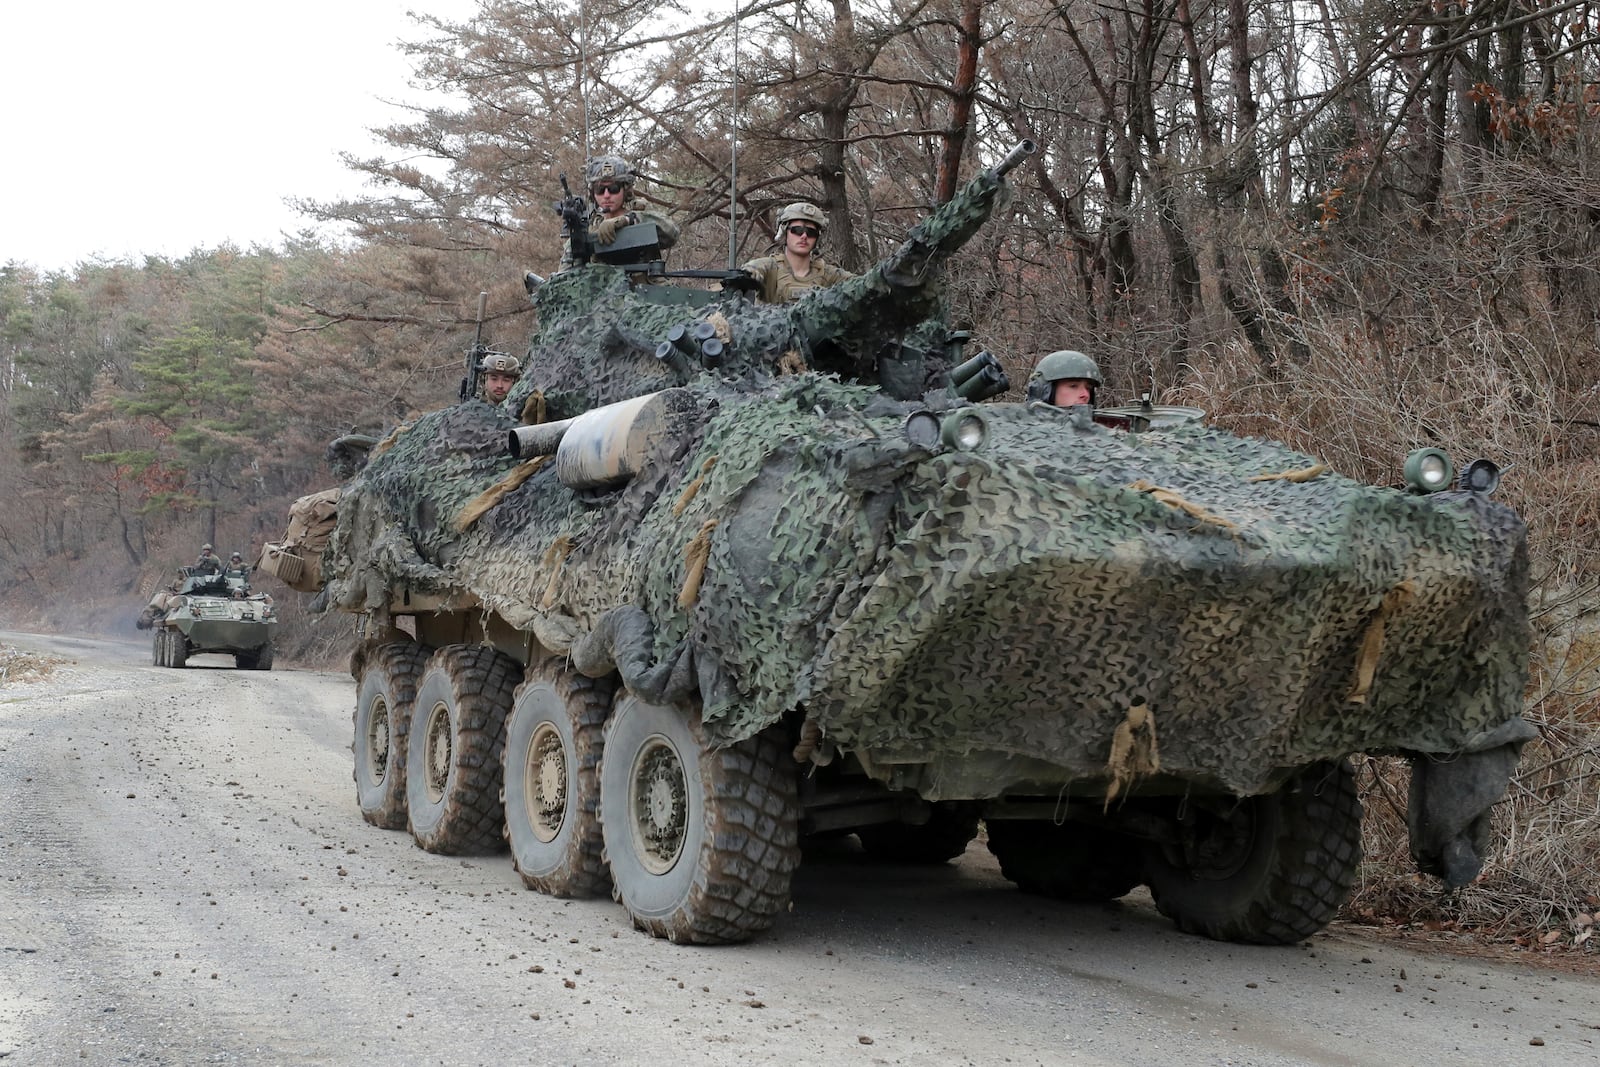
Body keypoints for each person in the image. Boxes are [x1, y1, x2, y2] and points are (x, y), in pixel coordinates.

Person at [559, 155, 680, 270]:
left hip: (643, 289)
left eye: (613, 189)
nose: (606, 195)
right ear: (593, 193)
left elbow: (671, 232)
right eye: (600, 190)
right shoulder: (588, 229)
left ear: (625, 190)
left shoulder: (640, 217)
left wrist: (627, 220)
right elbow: (564, 277)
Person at [738, 202, 857, 304]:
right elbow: (753, 269)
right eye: (797, 230)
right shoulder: (770, 268)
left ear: (817, 238)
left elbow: (861, 285)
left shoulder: (828, 275)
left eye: (811, 232)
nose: (804, 236)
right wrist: (749, 274)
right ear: (784, 232)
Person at [1026, 349, 1101, 408]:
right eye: (1073, 386)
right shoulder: (1021, 425)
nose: (1085, 395)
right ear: (1044, 391)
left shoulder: (1096, 427)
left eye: (1088, 388)